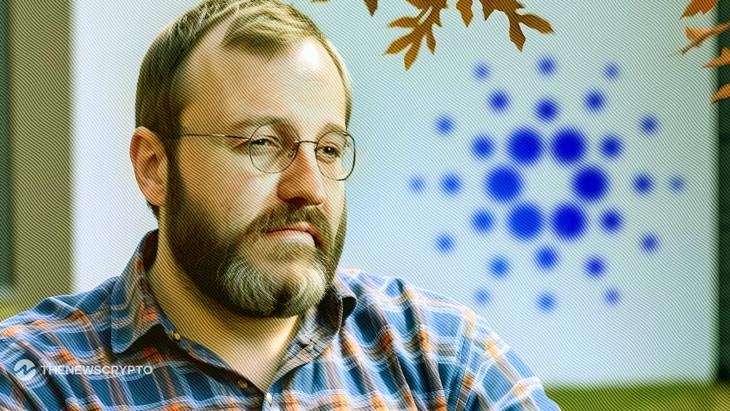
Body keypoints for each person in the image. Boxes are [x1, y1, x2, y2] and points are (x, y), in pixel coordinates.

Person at [0, 0, 560, 409]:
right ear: (154, 167)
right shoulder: (35, 379)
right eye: (263, 143)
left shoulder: (442, 357)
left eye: (329, 149)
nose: (309, 186)